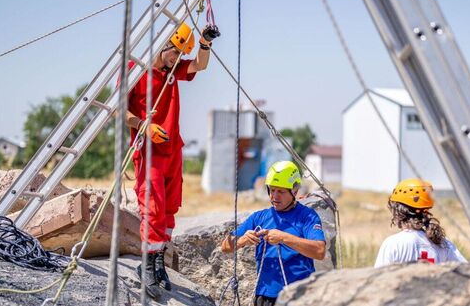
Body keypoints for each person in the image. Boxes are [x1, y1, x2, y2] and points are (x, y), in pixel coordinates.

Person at [126, 22, 220, 298]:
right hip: (149, 150)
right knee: (152, 205)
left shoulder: (172, 70)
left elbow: (199, 66)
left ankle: (158, 263)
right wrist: (143, 125)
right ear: (164, 43)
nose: (177, 59)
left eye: (181, 55)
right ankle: (146, 265)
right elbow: (119, 110)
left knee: (169, 208)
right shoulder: (135, 71)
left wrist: (204, 43)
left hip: (172, 148)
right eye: (175, 53)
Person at [221, 161, 326, 306]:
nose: (274, 196)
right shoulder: (259, 217)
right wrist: (243, 240)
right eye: (272, 190)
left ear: (294, 191)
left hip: (300, 295)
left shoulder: (307, 217)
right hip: (265, 296)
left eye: (281, 191)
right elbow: (225, 247)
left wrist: (283, 237)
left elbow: (319, 251)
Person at [374, 178, 467, 267]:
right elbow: (467, 269)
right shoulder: (444, 244)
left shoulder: (393, 244)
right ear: (426, 211)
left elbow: (378, 279)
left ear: (398, 211)